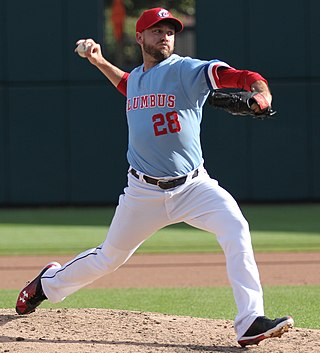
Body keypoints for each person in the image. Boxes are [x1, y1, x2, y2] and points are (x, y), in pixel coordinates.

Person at [16, 7, 294, 347]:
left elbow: (241, 75)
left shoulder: (187, 70)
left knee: (236, 227)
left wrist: (261, 92)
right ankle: (47, 284)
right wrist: (99, 61)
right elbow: (127, 85)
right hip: (142, 193)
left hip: (194, 186)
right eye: (156, 30)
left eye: (170, 30)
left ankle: (249, 320)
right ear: (140, 37)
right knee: (109, 258)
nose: (165, 35)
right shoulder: (139, 78)